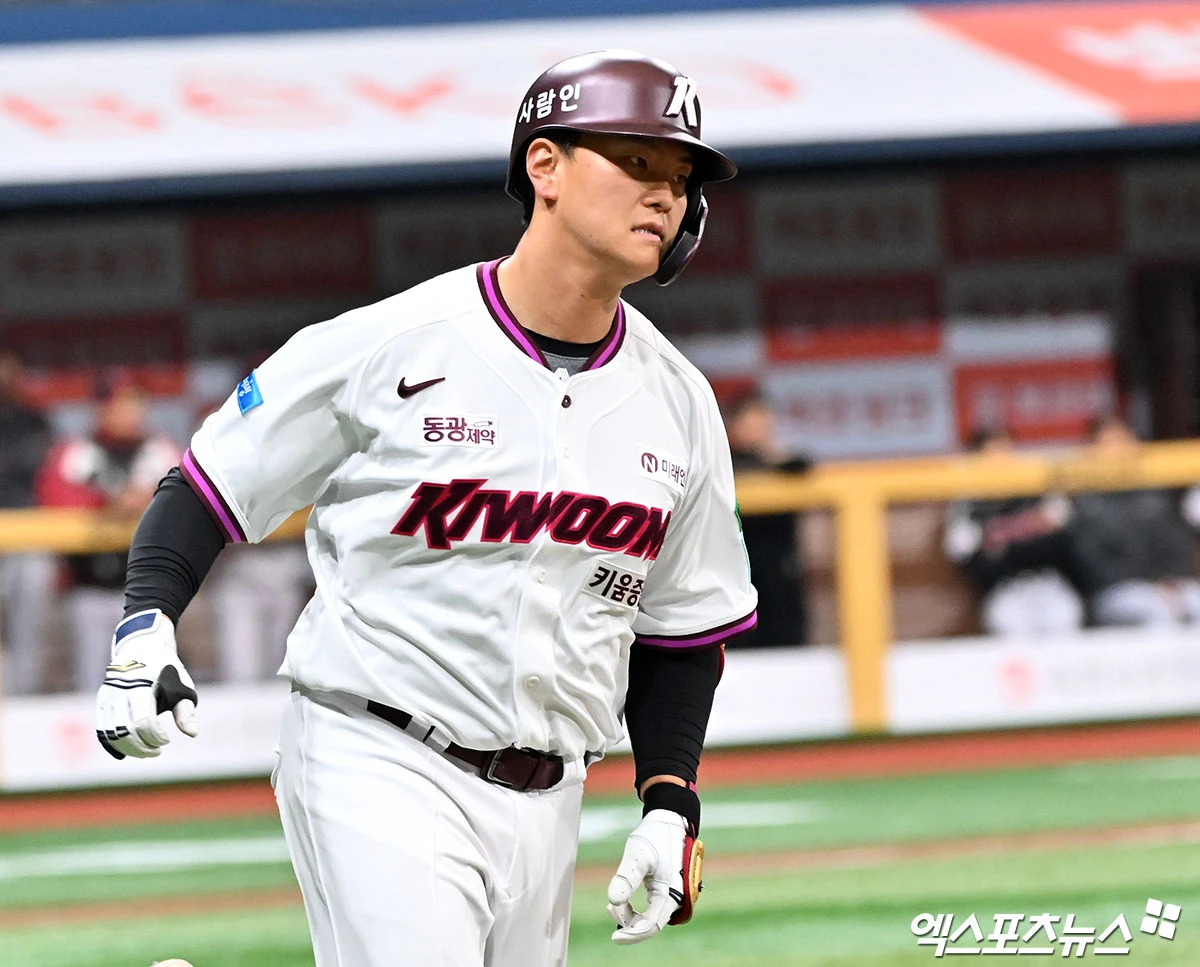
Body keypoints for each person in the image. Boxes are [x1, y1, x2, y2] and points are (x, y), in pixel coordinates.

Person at [95, 50, 757, 967]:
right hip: (376, 750)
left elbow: (682, 628)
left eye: (681, 178)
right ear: (545, 165)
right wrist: (145, 625)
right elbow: (211, 483)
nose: (664, 195)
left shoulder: (679, 401)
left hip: (552, 790)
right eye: (637, 160)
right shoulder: (391, 342)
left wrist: (670, 799)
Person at [36, 374, 179, 690]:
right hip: (90, 585)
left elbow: (187, 498)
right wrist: (105, 502)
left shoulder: (160, 451)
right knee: (93, 685)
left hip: (149, 591)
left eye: (135, 402)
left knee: (147, 686)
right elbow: (53, 499)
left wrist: (148, 499)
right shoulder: (76, 452)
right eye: (119, 403)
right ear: (100, 407)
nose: (128, 411)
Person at [942, 426, 1084, 636]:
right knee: (1009, 624)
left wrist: (1015, 536)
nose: (1001, 460)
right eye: (992, 454)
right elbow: (962, 552)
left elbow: (1064, 533)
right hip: (1005, 589)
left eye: (1005, 452)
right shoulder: (969, 504)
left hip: (1048, 581)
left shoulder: (1035, 490)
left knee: (1064, 616)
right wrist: (998, 539)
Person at [1066, 415, 1200, 627]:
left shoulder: (1155, 491)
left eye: (1123, 441)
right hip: (1116, 590)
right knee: (1157, 611)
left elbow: (1177, 545)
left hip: (1168, 583)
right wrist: (1150, 585)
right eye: (1109, 444)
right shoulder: (1086, 501)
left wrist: (1169, 580)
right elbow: (1092, 564)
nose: (1119, 451)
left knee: (1192, 602)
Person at [723, 388, 811, 646]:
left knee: (787, 639)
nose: (759, 428)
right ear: (735, 425)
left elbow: (802, 465)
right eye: (750, 422)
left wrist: (770, 456)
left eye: (763, 421)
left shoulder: (782, 463)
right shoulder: (724, 464)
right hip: (738, 576)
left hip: (780, 575)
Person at [0, 351, 56, 693]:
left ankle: (24, 699)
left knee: (27, 631)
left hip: (27, 533)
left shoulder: (33, 422)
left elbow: (34, 468)